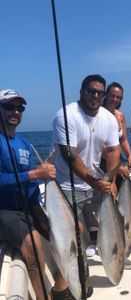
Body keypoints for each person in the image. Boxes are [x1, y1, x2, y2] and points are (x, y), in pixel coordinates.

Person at [0, 89, 72, 300]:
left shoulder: (24, 143)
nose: (15, 111)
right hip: (4, 210)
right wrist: (33, 173)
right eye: (9, 107)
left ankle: (60, 289)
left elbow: (31, 186)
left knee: (72, 231)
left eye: (19, 108)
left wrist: (40, 214)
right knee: (33, 242)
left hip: (27, 208)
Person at [52, 75, 120, 251]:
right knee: (71, 234)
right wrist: (96, 183)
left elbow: (113, 150)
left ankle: (97, 244)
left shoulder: (109, 118)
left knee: (101, 221)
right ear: (82, 92)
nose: (96, 96)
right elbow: (71, 156)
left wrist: (110, 182)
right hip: (68, 183)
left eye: (100, 93)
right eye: (91, 91)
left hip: (95, 182)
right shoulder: (66, 116)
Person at [86, 82, 131, 260]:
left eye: (119, 97)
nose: (115, 99)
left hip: (118, 162)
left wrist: (130, 154)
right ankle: (95, 241)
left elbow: (122, 138)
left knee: (120, 202)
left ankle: (125, 236)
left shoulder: (120, 115)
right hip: (100, 164)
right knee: (98, 202)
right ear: (105, 95)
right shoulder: (96, 115)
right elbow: (97, 143)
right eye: (112, 95)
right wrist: (117, 166)